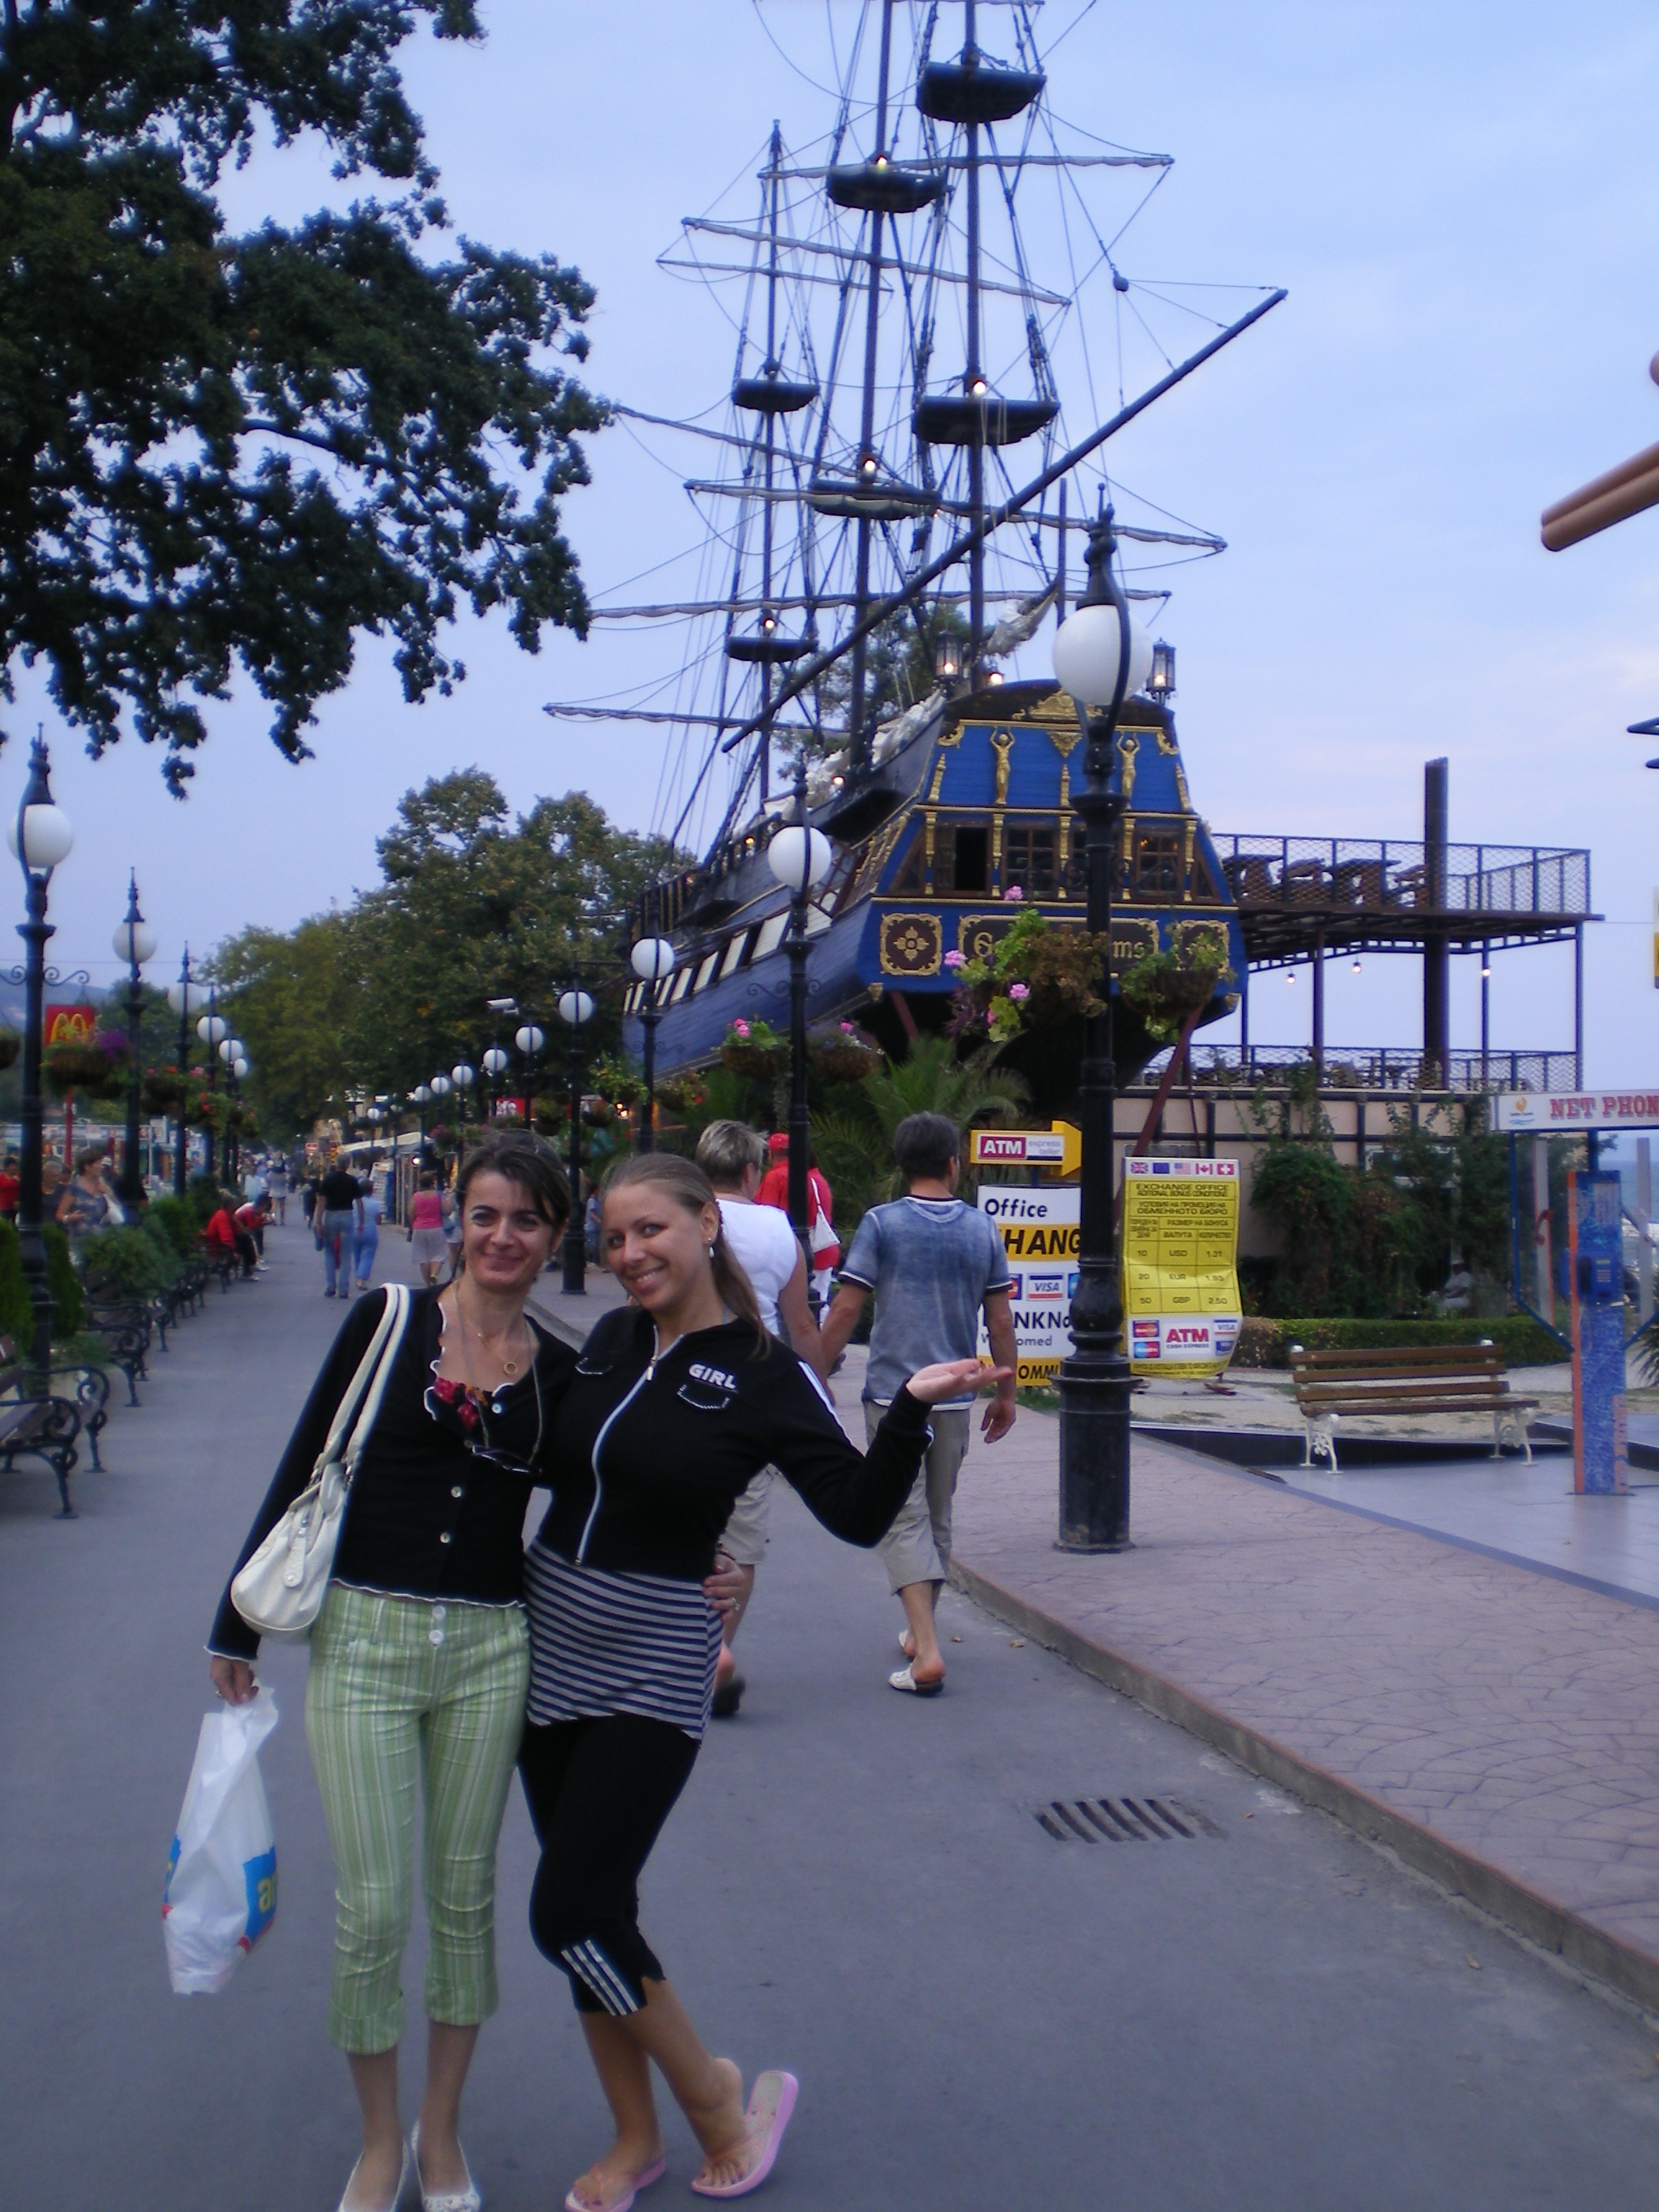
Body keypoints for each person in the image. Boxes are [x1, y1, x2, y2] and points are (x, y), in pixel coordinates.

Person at [519, 1151, 1009, 2211]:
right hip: (552, 1644)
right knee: (601, 1908)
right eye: (614, 1236)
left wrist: (909, 1407)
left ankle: (714, 2102)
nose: (629, 1253)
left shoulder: (765, 1371)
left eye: (650, 1229)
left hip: (656, 1657)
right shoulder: (610, 1342)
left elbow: (854, 1510)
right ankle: (634, 2138)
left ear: (709, 1225)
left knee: (568, 1912)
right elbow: (546, 1461)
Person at [209, 1132, 577, 2212]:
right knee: (372, 1908)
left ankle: (440, 2134)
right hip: (365, 1640)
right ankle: (379, 2142)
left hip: (490, 1649)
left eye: (527, 1220)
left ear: (557, 1236)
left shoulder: (560, 1370)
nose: (503, 1237)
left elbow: (614, 1489)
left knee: (464, 1900)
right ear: (455, 1221)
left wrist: (712, 1560)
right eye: (486, 1214)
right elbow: (306, 1459)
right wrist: (235, 1626)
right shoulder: (388, 1322)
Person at [818, 1111, 1019, 1696]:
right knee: (937, 1516)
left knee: (903, 1515)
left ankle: (927, 1651)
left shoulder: (881, 1224)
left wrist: (815, 1370)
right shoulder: (982, 1229)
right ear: (954, 1165)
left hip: (894, 1395)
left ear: (902, 1165)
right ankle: (918, 1630)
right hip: (955, 1398)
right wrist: (1006, 1392)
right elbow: (1000, 1320)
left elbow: (848, 1308)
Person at [693, 1119, 827, 1719]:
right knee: (742, 1534)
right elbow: (802, 1325)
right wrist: (818, 1399)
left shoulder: (683, 1221)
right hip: (753, 1389)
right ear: (752, 1172)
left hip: (685, 1381)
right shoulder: (779, 1230)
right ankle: (718, 1646)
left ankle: (677, 1643)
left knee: (682, 1517)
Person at [755, 1136, 837, 1309]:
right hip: (823, 1249)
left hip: (793, 1256)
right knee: (819, 1307)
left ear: (771, 1154)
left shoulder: (775, 1177)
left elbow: (764, 1218)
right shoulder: (816, 1178)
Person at [318, 1156, 361, 1299]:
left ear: (336, 1164)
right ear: (348, 1165)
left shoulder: (328, 1179)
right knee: (346, 1254)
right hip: (347, 1215)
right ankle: (343, 1289)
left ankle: (331, 1286)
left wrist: (318, 1221)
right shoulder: (352, 1180)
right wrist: (361, 1222)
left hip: (331, 1215)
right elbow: (359, 1202)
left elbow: (321, 1202)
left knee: (329, 1252)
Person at [56, 1147, 113, 1237]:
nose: (101, 1167)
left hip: (102, 1239)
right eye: (98, 1163)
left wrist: (109, 1192)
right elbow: (59, 1214)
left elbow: (118, 1207)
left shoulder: (103, 1185)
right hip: (80, 1239)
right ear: (87, 1167)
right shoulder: (74, 1186)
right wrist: (69, 1218)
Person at [408, 1171, 448, 1287]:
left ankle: (427, 1283)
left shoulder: (416, 1196)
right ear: (432, 1183)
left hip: (419, 1228)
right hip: (436, 1227)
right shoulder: (438, 1195)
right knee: (438, 1255)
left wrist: (413, 1225)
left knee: (423, 1258)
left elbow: (411, 1213)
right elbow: (447, 1210)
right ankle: (434, 1274)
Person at [354, 1177, 385, 1294]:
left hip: (355, 1230)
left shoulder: (353, 1203)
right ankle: (362, 1279)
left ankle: (358, 1276)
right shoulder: (375, 1203)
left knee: (357, 1254)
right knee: (368, 1255)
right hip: (370, 1231)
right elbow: (378, 1219)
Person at [233, 1193, 271, 1277]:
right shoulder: (250, 1211)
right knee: (250, 1243)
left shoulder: (251, 1207)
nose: (263, 1211)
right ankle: (253, 1265)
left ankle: (254, 1263)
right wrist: (261, 1219)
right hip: (237, 1231)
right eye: (264, 1209)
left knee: (252, 1239)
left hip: (240, 1229)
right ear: (261, 1206)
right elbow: (251, 1227)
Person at [269, 1154, 290, 1225]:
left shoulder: (271, 1173)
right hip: (282, 1190)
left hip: (273, 1190)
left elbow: (267, 1180)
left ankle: (273, 1219)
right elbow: (288, 1181)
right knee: (282, 1206)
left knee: (274, 1206)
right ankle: (282, 1221)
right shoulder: (284, 1174)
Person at [0, 1151, 19, 1221]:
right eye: (12, 1166)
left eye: (15, 1165)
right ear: (6, 1167)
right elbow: (3, 1186)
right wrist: (12, 1180)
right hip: (4, 1208)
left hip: (17, 1207)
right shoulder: (1, 1177)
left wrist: (18, 1181)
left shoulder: (19, 1176)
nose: (14, 1167)